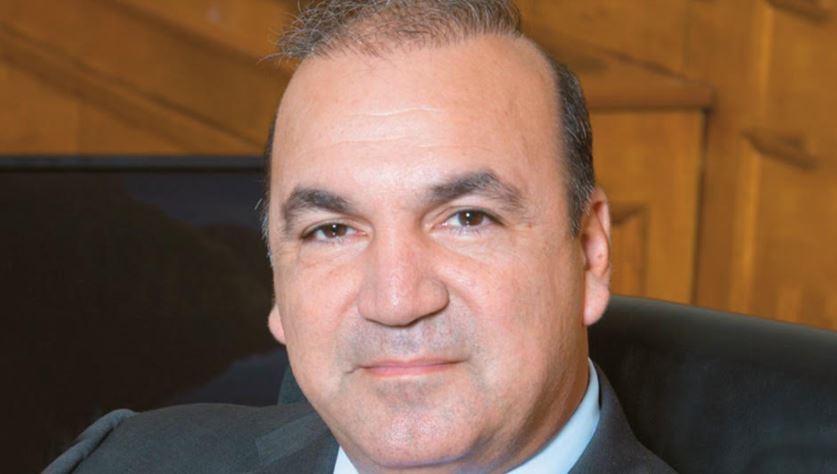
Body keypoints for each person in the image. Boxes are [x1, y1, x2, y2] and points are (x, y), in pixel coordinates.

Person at [46, 1, 674, 472]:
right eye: (332, 230)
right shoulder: (122, 461)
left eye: (467, 218)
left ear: (591, 253)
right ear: (277, 286)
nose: (395, 301)